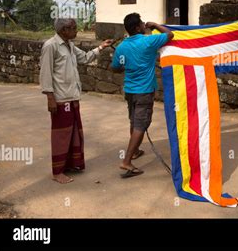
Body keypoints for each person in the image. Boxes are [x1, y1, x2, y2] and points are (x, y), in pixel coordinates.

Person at [39, 18, 112, 184]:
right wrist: (50, 98)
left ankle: (70, 164)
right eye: (73, 28)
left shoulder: (70, 45)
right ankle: (57, 172)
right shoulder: (51, 46)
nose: (76, 30)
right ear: (64, 30)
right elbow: (45, 73)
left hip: (72, 97)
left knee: (73, 132)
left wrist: (101, 47)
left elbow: (85, 57)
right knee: (61, 135)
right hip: (60, 98)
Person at [111, 13, 174, 178]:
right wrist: (155, 25)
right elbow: (170, 35)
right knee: (141, 125)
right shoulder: (148, 41)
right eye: (141, 23)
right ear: (138, 27)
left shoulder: (122, 47)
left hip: (130, 90)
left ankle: (136, 150)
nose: (143, 24)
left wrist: (128, 65)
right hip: (144, 91)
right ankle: (126, 161)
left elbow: (116, 67)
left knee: (134, 120)